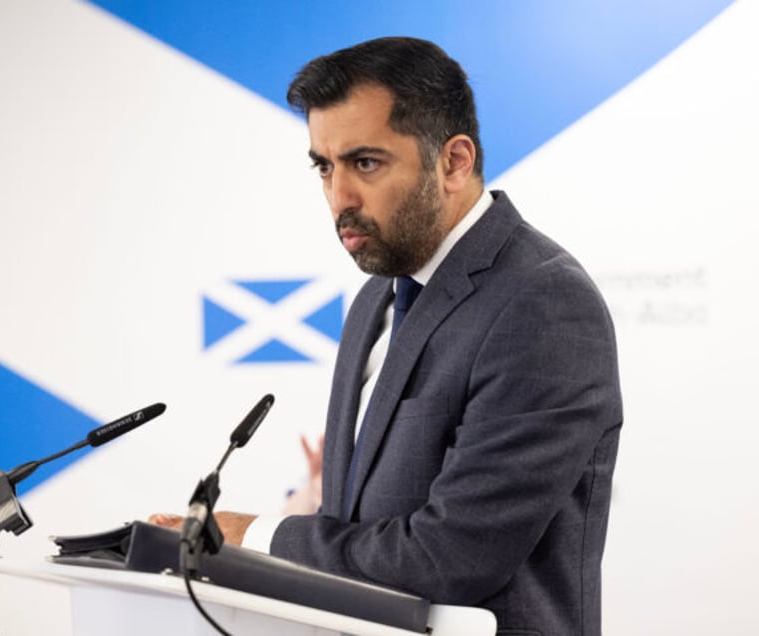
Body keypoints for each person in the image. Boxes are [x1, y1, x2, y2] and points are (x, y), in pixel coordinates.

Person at [152, 37, 621, 635]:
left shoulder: (543, 302)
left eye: (365, 163)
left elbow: (452, 558)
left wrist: (257, 537)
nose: (339, 198)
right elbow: (352, 526)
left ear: (453, 161)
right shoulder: (377, 295)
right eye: (325, 167)